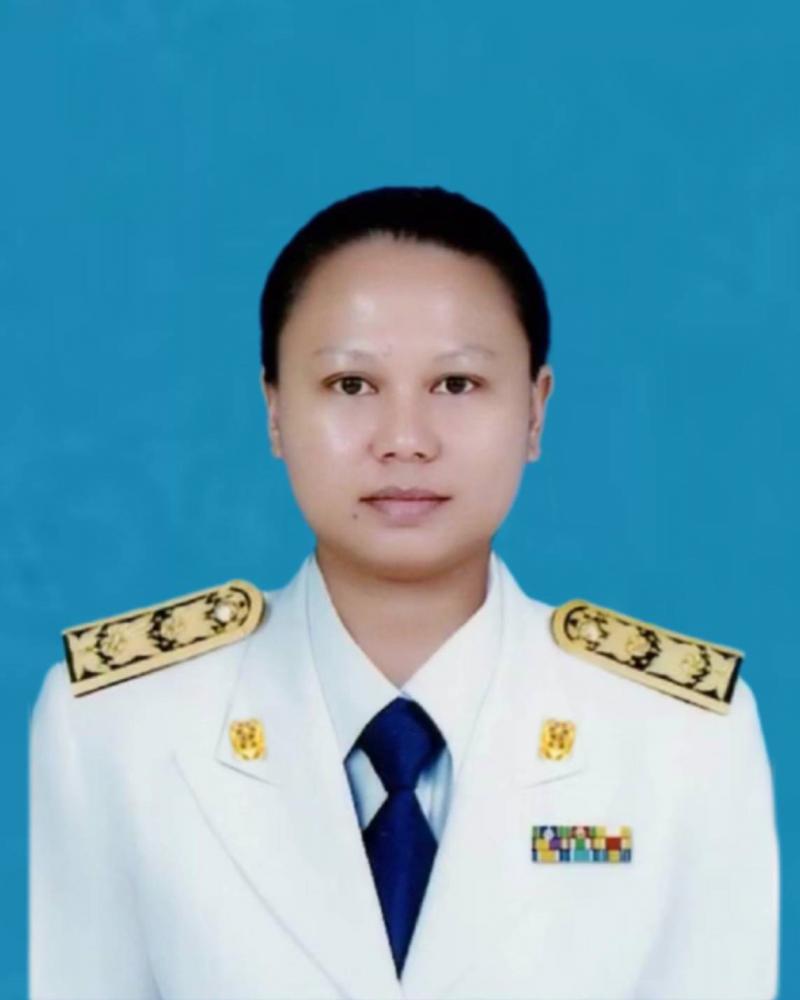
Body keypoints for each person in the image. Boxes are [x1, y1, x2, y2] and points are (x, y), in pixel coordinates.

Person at [29, 185, 779, 1000]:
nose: (405, 441)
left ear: (535, 411)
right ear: (275, 409)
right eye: (351, 385)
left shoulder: (681, 738)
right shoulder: (118, 725)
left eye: (456, 384)